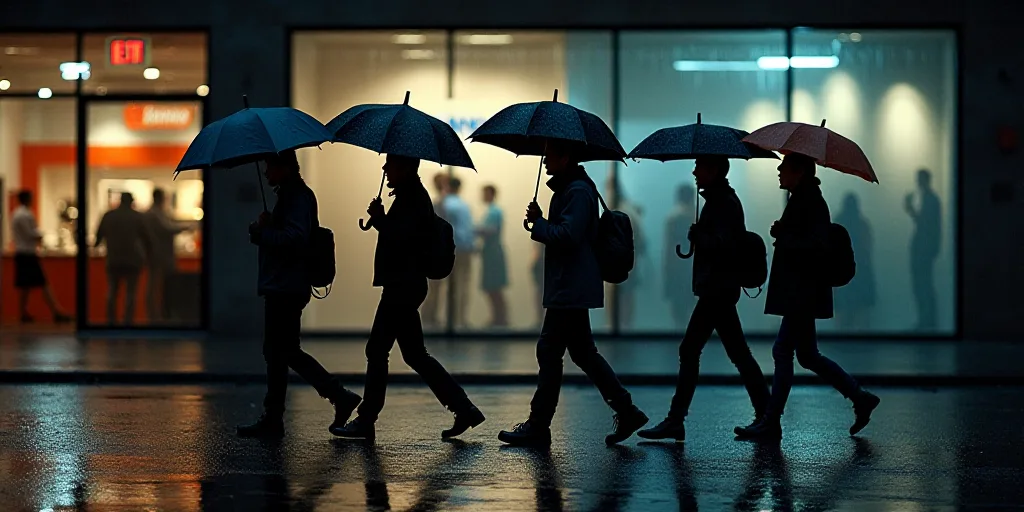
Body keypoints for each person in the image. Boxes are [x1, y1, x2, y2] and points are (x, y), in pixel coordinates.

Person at [498, 141, 648, 447]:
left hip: (571, 286)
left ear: (565, 157)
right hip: (570, 285)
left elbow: (568, 236)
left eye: (549, 154)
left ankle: (538, 425)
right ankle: (626, 410)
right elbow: (567, 231)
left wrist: (540, 225)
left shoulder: (578, 191)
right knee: (581, 353)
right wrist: (542, 219)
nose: (543, 161)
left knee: (550, 351)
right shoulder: (572, 189)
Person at [333, 154, 484, 440]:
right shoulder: (408, 195)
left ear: (404, 167)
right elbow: (401, 234)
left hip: (403, 285)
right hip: (404, 284)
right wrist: (380, 219)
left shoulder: (413, 197)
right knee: (415, 355)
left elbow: (405, 240)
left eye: (390, 164)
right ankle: (464, 409)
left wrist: (380, 221)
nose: (384, 168)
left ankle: (366, 419)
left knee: (377, 350)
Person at [735, 153, 880, 440]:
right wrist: (785, 231)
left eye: (784, 166)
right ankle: (859, 397)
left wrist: (784, 235)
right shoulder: (804, 199)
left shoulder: (811, 201)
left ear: (799, 171)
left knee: (783, 351)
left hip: (802, 291)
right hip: (801, 291)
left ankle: (771, 421)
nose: (779, 170)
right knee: (808, 355)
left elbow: (815, 246)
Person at [638, 156, 769, 442]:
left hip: (717, 289)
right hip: (718, 288)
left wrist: (701, 236)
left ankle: (676, 420)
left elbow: (726, 245)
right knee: (736, 353)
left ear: (715, 170)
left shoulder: (724, 203)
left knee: (692, 350)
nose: (695, 171)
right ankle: (766, 416)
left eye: (701, 166)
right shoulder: (719, 200)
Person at [238, 150, 361, 438]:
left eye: (270, 167)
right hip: (284, 284)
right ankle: (275, 417)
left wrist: (262, 234)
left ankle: (337, 396)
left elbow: (295, 238)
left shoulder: (297, 197)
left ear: (285, 168)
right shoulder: (291, 196)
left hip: (286, 285)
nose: (266, 173)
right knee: (279, 352)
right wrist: (266, 227)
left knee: (282, 351)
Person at [10, 190, 71, 324]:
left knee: (25, 286)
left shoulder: (16, 214)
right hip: (28, 253)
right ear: (27, 199)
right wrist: (42, 237)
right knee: (42, 283)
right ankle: (56, 311)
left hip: (22, 253)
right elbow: (31, 234)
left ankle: (24, 313)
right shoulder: (25, 215)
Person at [95, 192, 150, 326]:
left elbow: (98, 237)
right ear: (131, 202)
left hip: (113, 258)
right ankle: (127, 322)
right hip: (133, 260)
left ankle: (111, 321)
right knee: (131, 293)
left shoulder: (108, 216)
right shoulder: (137, 217)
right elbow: (147, 239)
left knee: (112, 291)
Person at [143, 188, 191, 323]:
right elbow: (167, 228)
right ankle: (155, 316)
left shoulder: (156, 213)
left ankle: (158, 314)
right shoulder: (154, 214)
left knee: (157, 285)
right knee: (155, 286)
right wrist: (186, 227)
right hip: (158, 255)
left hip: (158, 254)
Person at [904, 169, 941, 331]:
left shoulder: (931, 199)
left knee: (922, 284)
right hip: (925, 248)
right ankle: (927, 320)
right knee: (923, 284)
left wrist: (910, 208)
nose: (917, 182)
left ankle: (926, 321)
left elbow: (925, 224)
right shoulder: (931, 199)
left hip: (923, 249)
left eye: (919, 179)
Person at [834, 193, 876, 330]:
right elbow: (867, 247)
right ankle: (861, 338)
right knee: (861, 307)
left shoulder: (838, 222)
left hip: (840, 268)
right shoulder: (862, 224)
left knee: (842, 307)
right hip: (860, 270)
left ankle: (842, 338)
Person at [443, 177, 474, 328]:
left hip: (450, 247)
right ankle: (461, 319)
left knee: (450, 285)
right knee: (463, 284)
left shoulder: (445, 204)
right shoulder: (464, 206)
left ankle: (451, 319)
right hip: (465, 248)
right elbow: (468, 228)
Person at [664, 184, 696, 330]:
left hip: (677, 265)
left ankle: (679, 330)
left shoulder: (673, 217)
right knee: (691, 301)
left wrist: (667, 267)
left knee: (678, 304)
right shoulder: (696, 215)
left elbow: (670, 246)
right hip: (693, 265)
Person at [476, 184, 508, 327]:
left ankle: (500, 319)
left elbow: (491, 230)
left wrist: (474, 229)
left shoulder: (494, 211)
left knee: (494, 287)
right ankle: (497, 317)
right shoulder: (492, 211)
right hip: (490, 252)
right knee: (492, 287)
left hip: (493, 253)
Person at [421, 172, 449, 329]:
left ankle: (431, 316)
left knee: (436, 288)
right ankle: (429, 317)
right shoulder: (438, 203)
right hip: (436, 249)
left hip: (436, 248)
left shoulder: (438, 202)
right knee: (434, 288)